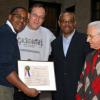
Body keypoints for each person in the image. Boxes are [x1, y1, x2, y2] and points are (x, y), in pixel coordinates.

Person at [49, 6, 92, 100]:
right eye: (64, 21)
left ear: (75, 23)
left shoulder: (85, 40)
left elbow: (91, 65)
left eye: (70, 21)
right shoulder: (54, 43)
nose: (67, 24)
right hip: (58, 91)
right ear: (59, 23)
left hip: (79, 89)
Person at [14, 3, 55, 100]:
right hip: (16, 84)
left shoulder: (48, 35)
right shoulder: (18, 30)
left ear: (44, 20)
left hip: (35, 86)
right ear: (28, 15)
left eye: (41, 17)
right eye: (35, 15)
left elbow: (59, 53)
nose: (37, 19)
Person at [0, 7, 39, 100]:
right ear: (10, 17)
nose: (22, 20)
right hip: (3, 88)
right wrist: (26, 89)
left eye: (25, 19)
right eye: (18, 16)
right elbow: (6, 67)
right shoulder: (6, 34)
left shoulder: (8, 33)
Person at [76, 21, 100, 100]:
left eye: (91, 36)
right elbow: (82, 82)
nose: (87, 39)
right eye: (87, 36)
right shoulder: (89, 56)